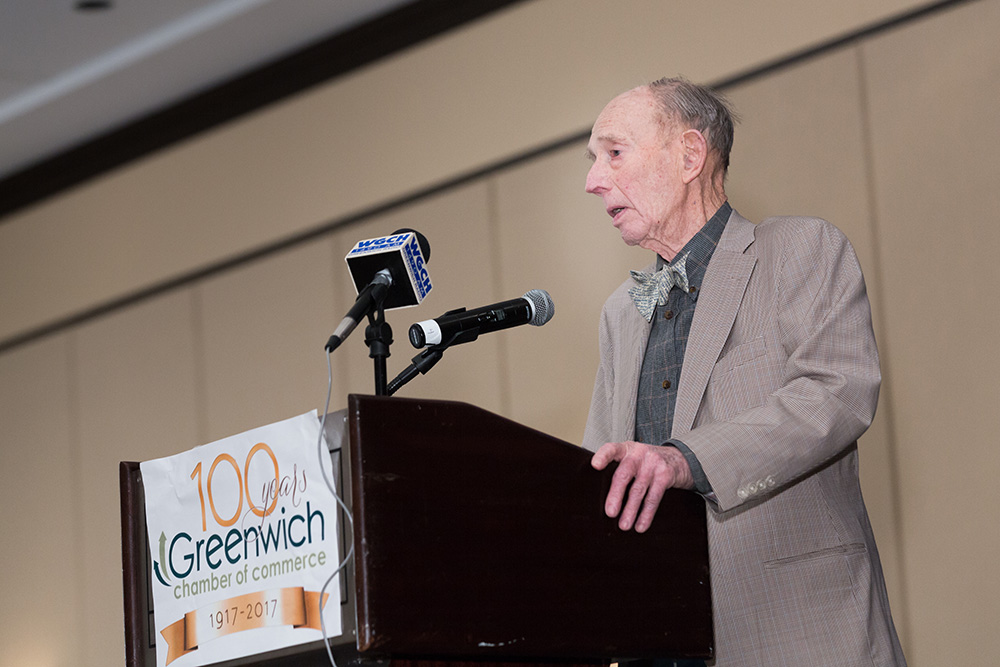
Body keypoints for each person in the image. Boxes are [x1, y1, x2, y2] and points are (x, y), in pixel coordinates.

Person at [581, 77, 906, 665]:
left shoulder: (801, 250)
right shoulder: (619, 313)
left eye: (614, 153)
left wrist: (685, 459)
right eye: (593, 160)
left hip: (799, 632)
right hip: (658, 638)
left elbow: (836, 395)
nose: (593, 180)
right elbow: (600, 467)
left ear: (690, 155)